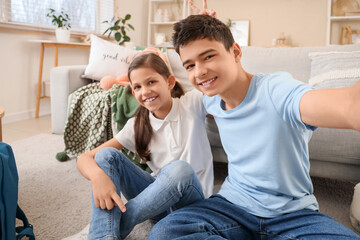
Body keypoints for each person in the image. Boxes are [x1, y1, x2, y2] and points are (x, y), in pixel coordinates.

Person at [147, 2, 360, 239]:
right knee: (165, 231)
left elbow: (344, 105)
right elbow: (168, 97)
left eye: (208, 57)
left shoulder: (276, 89)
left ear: (236, 52)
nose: (199, 72)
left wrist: (351, 107)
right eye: (190, 65)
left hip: (293, 216)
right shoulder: (209, 99)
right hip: (231, 206)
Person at [77, 52, 214, 240]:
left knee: (179, 170)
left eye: (151, 82)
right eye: (138, 87)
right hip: (158, 205)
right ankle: (103, 236)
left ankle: (118, 224)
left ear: (170, 82)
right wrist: (97, 176)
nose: (145, 91)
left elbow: (223, 94)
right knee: (105, 155)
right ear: (133, 92)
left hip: (192, 204)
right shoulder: (136, 125)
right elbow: (84, 158)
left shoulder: (192, 103)